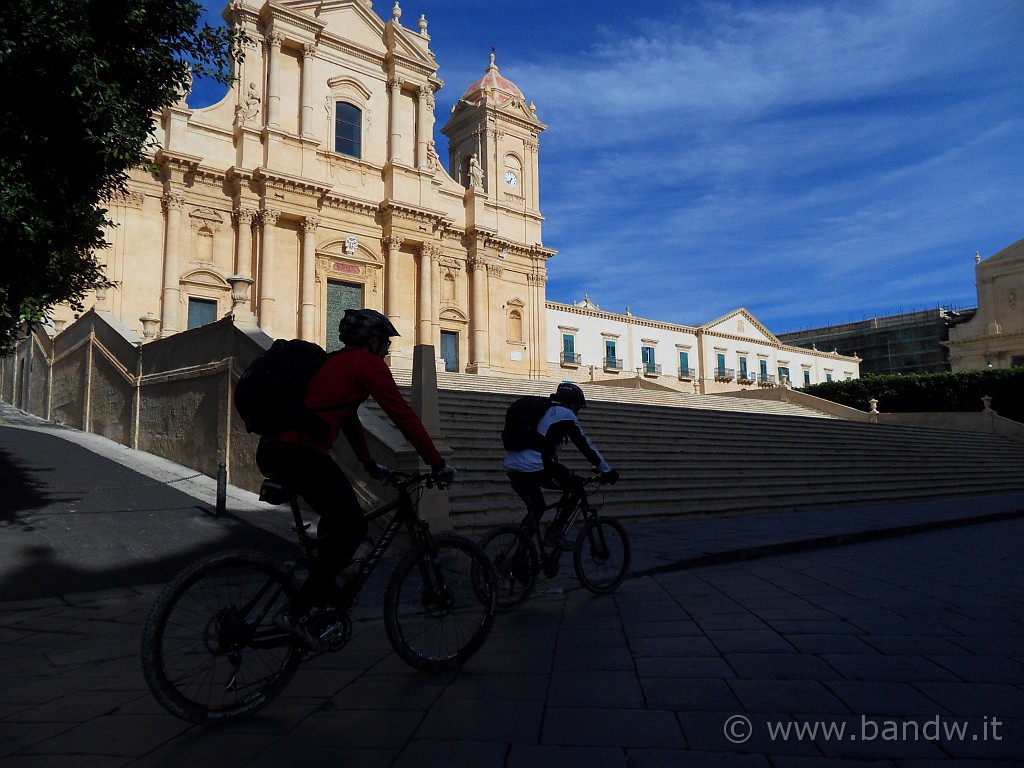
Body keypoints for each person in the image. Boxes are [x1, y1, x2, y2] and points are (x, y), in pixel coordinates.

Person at [256, 308, 456, 647]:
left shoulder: (334, 363)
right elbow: (402, 414)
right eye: (386, 342)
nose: (388, 349)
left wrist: (367, 462)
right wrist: (436, 463)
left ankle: (322, 593)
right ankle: (297, 610)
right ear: (373, 340)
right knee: (354, 527)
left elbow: (348, 418)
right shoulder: (366, 365)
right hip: (301, 451)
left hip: (277, 449)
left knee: (336, 521)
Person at [503, 382, 618, 548]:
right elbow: (585, 445)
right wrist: (607, 470)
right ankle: (555, 532)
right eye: (577, 407)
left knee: (537, 507)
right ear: (571, 403)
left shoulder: (544, 410)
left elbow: (546, 447)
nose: (577, 411)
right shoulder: (564, 413)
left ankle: (519, 556)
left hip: (512, 464)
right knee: (575, 487)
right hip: (535, 465)